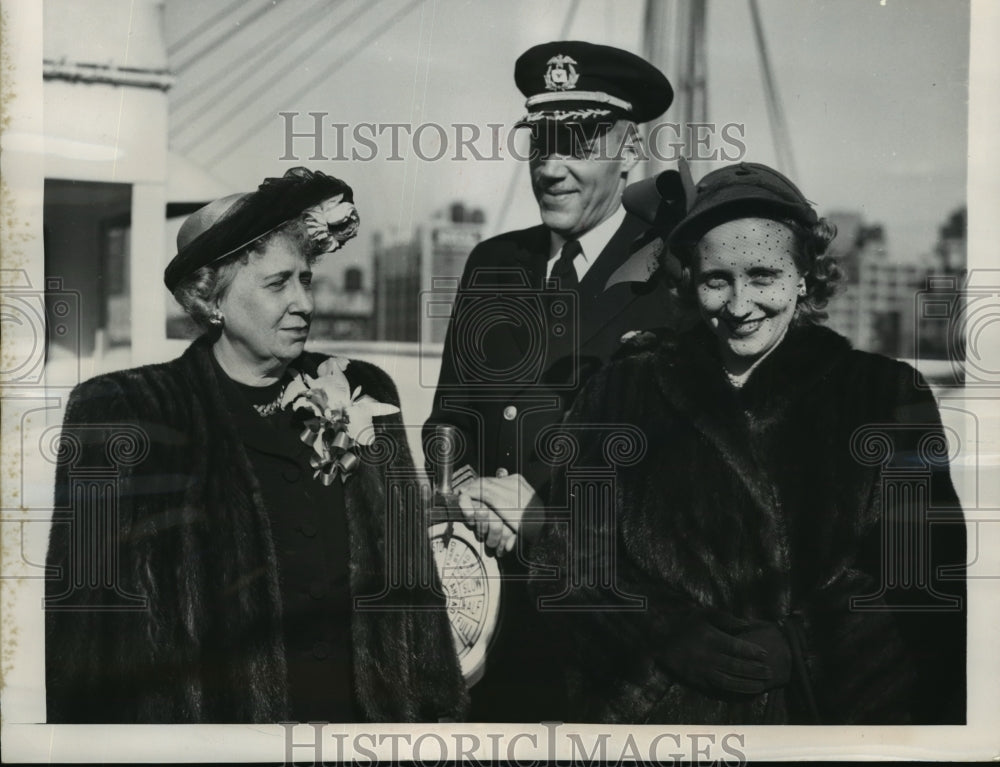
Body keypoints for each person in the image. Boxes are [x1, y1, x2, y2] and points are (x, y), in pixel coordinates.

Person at [530, 162, 967, 724]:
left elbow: (925, 583)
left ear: (804, 276)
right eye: (718, 280)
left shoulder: (883, 396)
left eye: (764, 277)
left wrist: (806, 650)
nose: (739, 306)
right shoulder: (621, 391)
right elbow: (565, 564)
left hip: (821, 725)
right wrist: (663, 637)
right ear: (690, 280)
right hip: (660, 727)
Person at [45, 167, 469, 723]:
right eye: (277, 284)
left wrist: (439, 723)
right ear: (211, 298)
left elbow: (416, 590)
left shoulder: (363, 391)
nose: (304, 304)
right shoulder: (128, 415)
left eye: (307, 279)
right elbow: (82, 626)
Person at [423, 41, 682, 721]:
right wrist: (458, 483)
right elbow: (448, 414)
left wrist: (547, 518)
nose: (550, 167)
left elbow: (681, 487)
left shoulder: (675, 281)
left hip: (609, 638)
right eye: (540, 143)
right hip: (485, 623)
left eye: (575, 144)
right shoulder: (492, 264)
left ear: (630, 152)